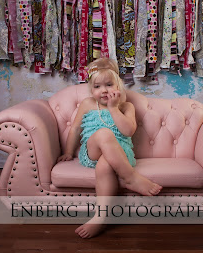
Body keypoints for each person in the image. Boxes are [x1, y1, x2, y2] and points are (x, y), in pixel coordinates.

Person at [58, 58, 162, 238]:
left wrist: (114, 109)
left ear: (118, 85)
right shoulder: (88, 104)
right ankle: (130, 177)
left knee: (105, 165)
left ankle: (100, 217)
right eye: (97, 87)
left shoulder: (127, 106)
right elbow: (75, 128)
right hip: (92, 152)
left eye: (108, 84)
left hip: (120, 155)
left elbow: (128, 131)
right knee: (104, 133)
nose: (103, 90)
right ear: (91, 90)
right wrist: (68, 152)